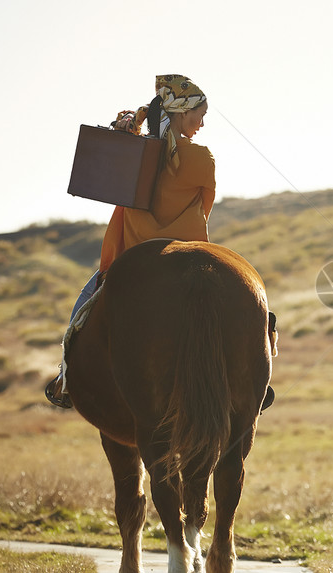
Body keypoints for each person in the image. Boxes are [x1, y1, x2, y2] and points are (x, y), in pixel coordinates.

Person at [45, 75, 276, 412]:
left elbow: (128, 154)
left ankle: (65, 378)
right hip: (190, 248)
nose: (203, 122)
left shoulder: (136, 153)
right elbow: (204, 208)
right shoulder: (203, 159)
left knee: (82, 309)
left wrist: (132, 125)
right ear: (182, 115)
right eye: (200, 113)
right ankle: (259, 382)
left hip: (133, 252)